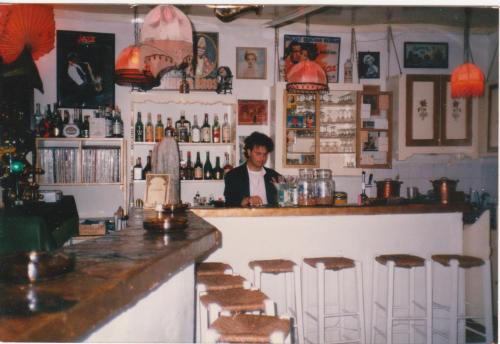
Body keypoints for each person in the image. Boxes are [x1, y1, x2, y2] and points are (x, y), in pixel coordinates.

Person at [224, 132, 281, 207]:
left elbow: (283, 200)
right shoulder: (233, 176)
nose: (262, 158)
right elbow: (229, 202)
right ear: (249, 152)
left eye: (265, 154)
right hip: (244, 218)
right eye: (258, 154)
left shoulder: (274, 176)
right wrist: (247, 200)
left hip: (270, 217)